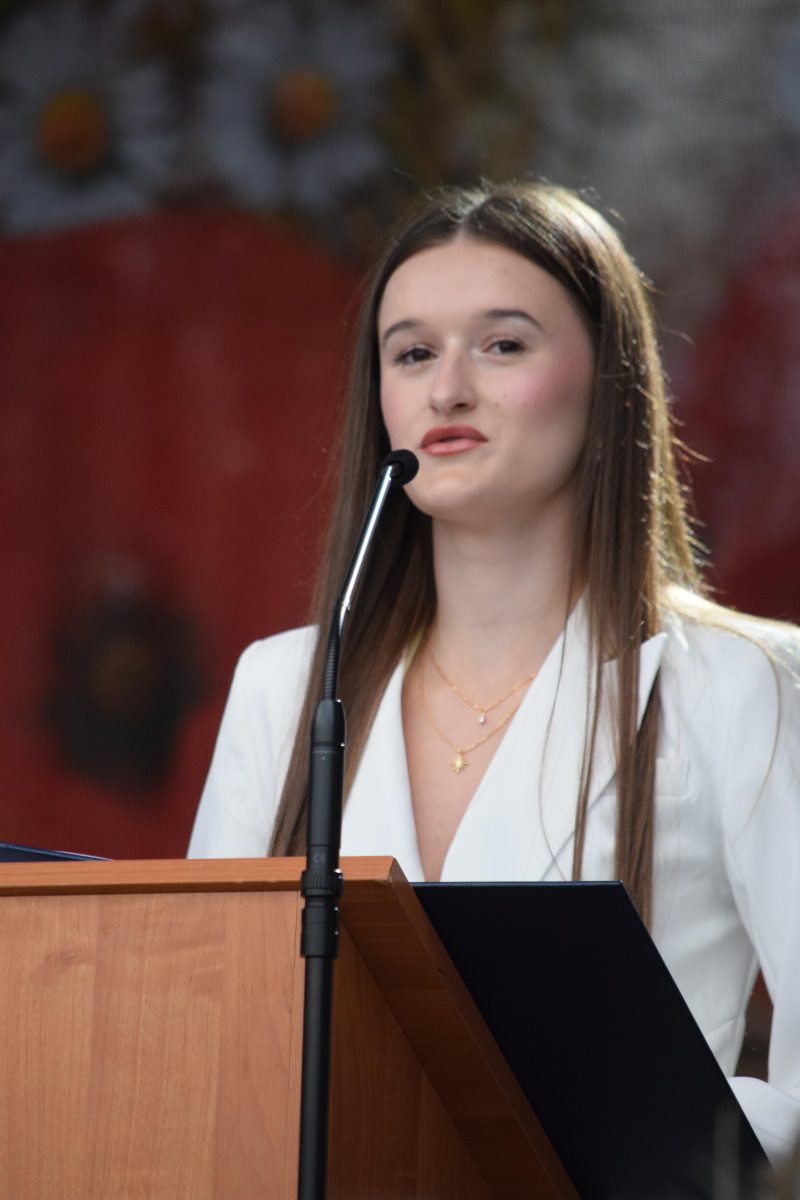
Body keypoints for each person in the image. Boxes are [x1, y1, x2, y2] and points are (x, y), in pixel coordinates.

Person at [188, 181, 800, 1167]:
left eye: (502, 344)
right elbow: (204, 1031)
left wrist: (668, 1153)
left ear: (608, 381)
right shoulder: (284, 686)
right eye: (411, 353)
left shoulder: (745, 682)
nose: (447, 390)